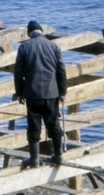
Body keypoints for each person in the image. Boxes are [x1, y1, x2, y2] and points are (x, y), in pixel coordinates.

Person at [12, 21, 68, 168]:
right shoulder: (54, 46)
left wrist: (19, 93)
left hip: (32, 94)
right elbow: (61, 70)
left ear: (29, 33)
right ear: (41, 31)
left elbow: (18, 73)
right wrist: (62, 92)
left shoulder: (24, 47)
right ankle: (58, 156)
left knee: (34, 126)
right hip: (52, 93)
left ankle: (34, 159)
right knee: (53, 123)